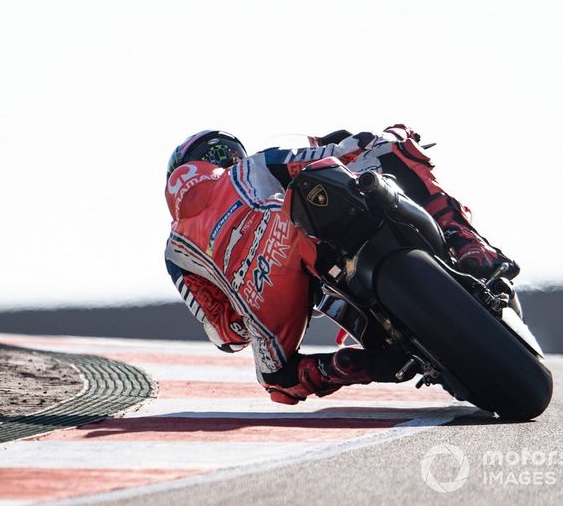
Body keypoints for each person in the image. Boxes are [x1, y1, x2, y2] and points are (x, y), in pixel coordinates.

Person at [164, 125, 518, 405]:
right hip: (298, 233)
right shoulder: (251, 166)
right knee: (391, 143)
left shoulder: (175, 249)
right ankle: (468, 244)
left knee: (276, 379)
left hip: (267, 300)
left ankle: (342, 366)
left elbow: (228, 336)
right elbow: (342, 152)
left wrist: (251, 289)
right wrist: (373, 140)